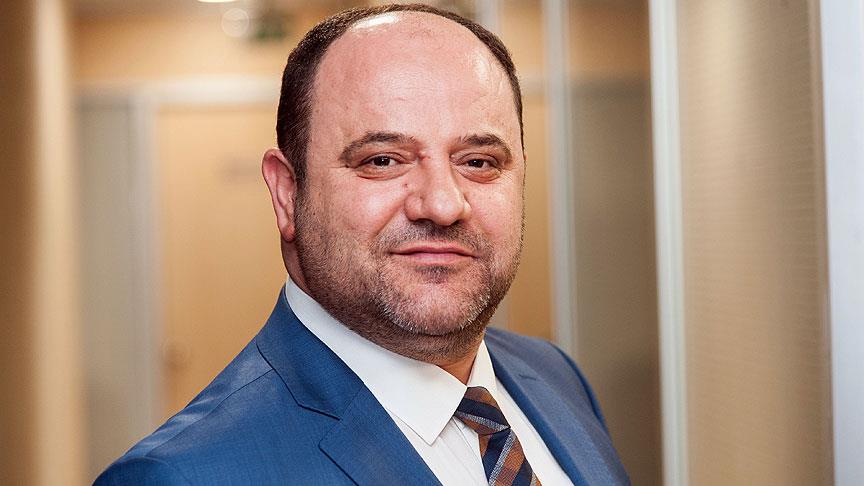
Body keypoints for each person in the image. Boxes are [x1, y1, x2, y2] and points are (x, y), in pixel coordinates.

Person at [96, 4, 627, 485]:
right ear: (287, 194)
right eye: (382, 160)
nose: (443, 204)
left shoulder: (554, 377)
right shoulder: (185, 475)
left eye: (478, 161)